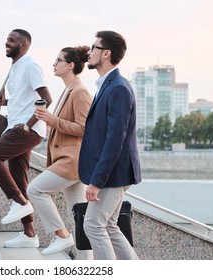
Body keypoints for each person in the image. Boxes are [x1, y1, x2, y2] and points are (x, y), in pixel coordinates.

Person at [0, 29, 52, 248]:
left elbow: (46, 98)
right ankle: (30, 234)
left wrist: (28, 125)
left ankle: (20, 202)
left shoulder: (31, 65)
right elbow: (22, 100)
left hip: (27, 129)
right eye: (6, 40)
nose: (7, 43)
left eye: (11, 40)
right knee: (19, 177)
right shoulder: (14, 68)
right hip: (17, 126)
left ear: (24, 45)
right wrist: (4, 103)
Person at [78, 31, 141, 260]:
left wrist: (97, 181)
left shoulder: (118, 88)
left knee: (93, 225)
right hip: (112, 172)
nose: (89, 52)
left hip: (113, 174)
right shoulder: (108, 85)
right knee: (110, 227)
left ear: (106, 53)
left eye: (93, 47)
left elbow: (115, 140)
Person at [28, 46, 92, 259]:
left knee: (34, 190)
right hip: (69, 160)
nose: (54, 64)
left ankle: (61, 235)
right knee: (79, 217)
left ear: (70, 65)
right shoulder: (68, 90)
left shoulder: (80, 92)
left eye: (58, 60)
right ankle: (86, 265)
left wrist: (51, 120)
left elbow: (83, 129)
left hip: (71, 161)